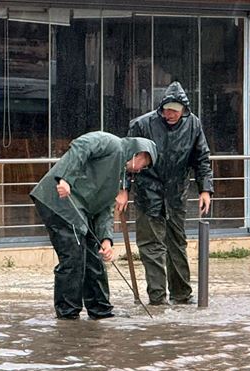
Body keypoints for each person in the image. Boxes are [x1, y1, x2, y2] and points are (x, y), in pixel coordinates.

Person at [30, 132, 157, 320]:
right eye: (143, 165)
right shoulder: (111, 143)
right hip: (59, 202)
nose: (139, 170)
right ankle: (68, 315)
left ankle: (101, 310)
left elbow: (106, 208)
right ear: (139, 154)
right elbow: (82, 145)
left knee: (94, 258)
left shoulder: (120, 175)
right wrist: (65, 178)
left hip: (82, 210)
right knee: (73, 257)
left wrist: (106, 240)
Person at [119, 81, 213, 305]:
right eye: (166, 109)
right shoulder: (142, 125)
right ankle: (158, 297)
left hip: (176, 194)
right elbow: (126, 159)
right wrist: (123, 189)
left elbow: (202, 158)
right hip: (147, 192)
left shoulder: (193, 125)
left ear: (183, 111)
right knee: (151, 247)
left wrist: (205, 189)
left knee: (177, 244)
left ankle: (181, 294)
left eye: (175, 111)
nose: (169, 114)